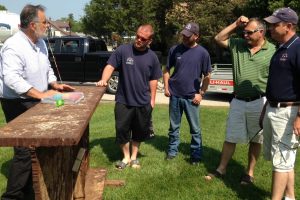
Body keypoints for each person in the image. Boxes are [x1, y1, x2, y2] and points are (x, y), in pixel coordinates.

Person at [0, 4, 74, 199]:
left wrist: (54, 84)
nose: (47, 25)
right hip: (17, 102)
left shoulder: (40, 42)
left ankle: (34, 190)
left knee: (41, 146)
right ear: (32, 25)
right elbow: (11, 79)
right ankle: (13, 196)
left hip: (36, 99)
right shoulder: (13, 46)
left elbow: (47, 67)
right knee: (25, 150)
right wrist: (41, 95)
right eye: (44, 22)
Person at [204, 17, 276, 184]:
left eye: (249, 32)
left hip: (260, 102)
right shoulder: (238, 45)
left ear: (261, 32)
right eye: (244, 32)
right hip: (237, 100)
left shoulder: (273, 51)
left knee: (256, 139)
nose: (245, 35)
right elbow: (218, 38)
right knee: (231, 136)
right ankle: (221, 169)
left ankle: (249, 173)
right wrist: (236, 24)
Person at [96, 24, 162, 169]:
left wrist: (152, 100)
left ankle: (134, 157)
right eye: (137, 36)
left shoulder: (152, 57)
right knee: (121, 130)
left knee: (139, 131)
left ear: (149, 41)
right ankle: (125, 157)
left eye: (143, 39)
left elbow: (154, 79)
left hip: (143, 102)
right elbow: (110, 66)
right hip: (123, 100)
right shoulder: (123, 50)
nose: (138, 40)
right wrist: (104, 79)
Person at [263, 7, 300, 200]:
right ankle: (290, 197)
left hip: (289, 112)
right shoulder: (280, 48)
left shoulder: (297, 47)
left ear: (289, 26)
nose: (270, 28)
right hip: (273, 109)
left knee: (281, 161)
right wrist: (265, 108)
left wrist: (299, 118)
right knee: (285, 160)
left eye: (274, 25)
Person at [163, 22, 211, 165]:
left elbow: (207, 76)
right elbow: (166, 70)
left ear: (196, 36)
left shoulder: (203, 53)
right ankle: (172, 151)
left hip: (192, 97)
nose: (184, 37)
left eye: (188, 35)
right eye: (183, 34)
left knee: (195, 129)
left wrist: (201, 94)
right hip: (175, 95)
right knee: (173, 127)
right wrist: (166, 87)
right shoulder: (175, 50)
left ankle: (196, 155)